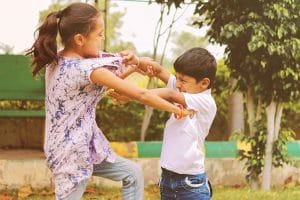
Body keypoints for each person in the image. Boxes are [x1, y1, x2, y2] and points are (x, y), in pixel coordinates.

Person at [26, 3, 193, 200]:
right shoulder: (85, 69)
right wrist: (178, 110)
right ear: (80, 39)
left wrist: (135, 65)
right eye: (99, 34)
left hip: (81, 145)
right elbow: (142, 95)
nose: (102, 39)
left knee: (132, 173)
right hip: (70, 154)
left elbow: (107, 76)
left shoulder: (59, 59)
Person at [112, 47, 217, 199]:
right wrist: (137, 61)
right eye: (177, 77)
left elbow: (168, 94)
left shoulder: (205, 102)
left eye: (183, 80)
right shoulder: (185, 89)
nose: (178, 83)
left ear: (204, 83)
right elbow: (159, 70)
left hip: (191, 184)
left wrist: (130, 95)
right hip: (167, 179)